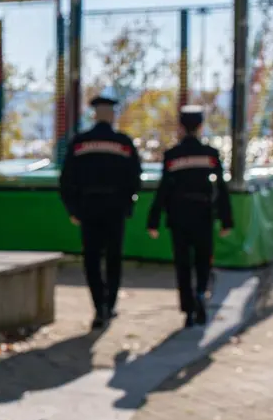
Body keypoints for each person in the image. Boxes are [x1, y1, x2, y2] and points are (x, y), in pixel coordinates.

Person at [60, 95, 143, 329]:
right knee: (114, 257)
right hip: (115, 208)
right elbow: (135, 177)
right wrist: (128, 205)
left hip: (89, 208)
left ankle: (99, 306)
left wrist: (73, 209)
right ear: (112, 115)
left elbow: (67, 179)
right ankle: (110, 303)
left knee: (92, 258)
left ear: (94, 114)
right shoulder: (124, 143)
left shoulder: (79, 143)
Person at [147, 105, 233, 328]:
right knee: (203, 261)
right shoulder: (211, 155)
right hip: (204, 216)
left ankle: (187, 309)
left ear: (180, 127)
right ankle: (201, 295)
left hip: (179, 217)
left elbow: (164, 189)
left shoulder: (172, 156)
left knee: (183, 263)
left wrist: (153, 219)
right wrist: (226, 219)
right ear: (201, 126)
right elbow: (221, 189)